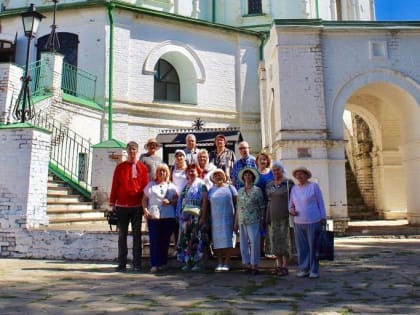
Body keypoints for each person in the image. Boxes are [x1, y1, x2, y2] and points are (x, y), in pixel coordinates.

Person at [109, 141, 149, 272]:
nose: (132, 152)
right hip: (122, 206)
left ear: (137, 152)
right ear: (127, 151)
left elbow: (145, 187)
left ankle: (137, 263)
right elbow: (115, 185)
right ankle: (122, 263)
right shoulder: (120, 167)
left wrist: (145, 205)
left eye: (134, 150)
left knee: (137, 235)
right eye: (130, 150)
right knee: (122, 235)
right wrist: (112, 203)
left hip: (137, 206)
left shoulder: (142, 168)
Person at [289, 166, 327, 279]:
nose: (299, 176)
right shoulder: (294, 189)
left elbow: (320, 202)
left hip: (313, 220)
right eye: (297, 174)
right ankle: (304, 268)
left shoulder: (313, 187)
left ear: (306, 175)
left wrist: (323, 217)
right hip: (299, 222)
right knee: (302, 247)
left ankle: (314, 270)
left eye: (302, 174)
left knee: (313, 247)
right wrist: (291, 210)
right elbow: (290, 204)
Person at [142, 163, 178, 273]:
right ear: (157, 173)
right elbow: (144, 199)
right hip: (154, 216)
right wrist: (145, 210)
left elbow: (177, 200)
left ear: (167, 173)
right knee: (154, 240)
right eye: (160, 171)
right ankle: (154, 264)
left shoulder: (171, 186)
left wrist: (170, 201)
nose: (162, 173)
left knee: (165, 241)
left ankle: (162, 263)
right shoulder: (151, 185)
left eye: (164, 171)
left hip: (168, 216)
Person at [177, 163, 209, 271]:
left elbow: (204, 201)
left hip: (197, 217)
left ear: (198, 172)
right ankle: (188, 261)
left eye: (193, 170)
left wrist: (203, 217)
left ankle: (199, 263)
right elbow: (181, 201)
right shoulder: (186, 186)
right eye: (189, 171)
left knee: (198, 239)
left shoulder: (201, 185)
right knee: (187, 241)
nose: (191, 172)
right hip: (186, 218)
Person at [234, 167, 265, 275]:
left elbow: (262, 207)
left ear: (253, 176)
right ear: (243, 177)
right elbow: (238, 207)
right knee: (243, 243)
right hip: (242, 220)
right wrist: (236, 223)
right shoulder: (240, 191)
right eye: (245, 175)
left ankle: (254, 265)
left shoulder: (257, 190)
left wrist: (262, 221)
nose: (247, 176)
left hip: (254, 219)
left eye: (249, 174)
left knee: (254, 243)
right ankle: (247, 264)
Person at [266, 161, 294, 276]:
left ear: (282, 170)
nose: (276, 172)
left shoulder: (288, 183)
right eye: (274, 170)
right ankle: (278, 264)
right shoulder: (269, 184)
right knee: (275, 242)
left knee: (285, 242)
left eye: (278, 170)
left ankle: (285, 266)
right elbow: (269, 199)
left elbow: (294, 199)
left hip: (285, 217)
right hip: (273, 216)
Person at [207, 169, 237, 271]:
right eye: (215, 175)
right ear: (213, 178)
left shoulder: (230, 188)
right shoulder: (211, 190)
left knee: (228, 240)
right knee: (217, 241)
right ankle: (220, 262)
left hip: (228, 218)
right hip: (215, 219)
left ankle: (227, 262)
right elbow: (207, 204)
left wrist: (236, 219)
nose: (218, 177)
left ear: (224, 176)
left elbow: (237, 203)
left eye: (220, 175)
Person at [255, 150, 274, 256]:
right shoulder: (254, 173)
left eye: (264, 159)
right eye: (260, 159)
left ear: (267, 161)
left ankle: (269, 249)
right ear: (257, 161)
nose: (262, 161)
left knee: (268, 226)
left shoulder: (271, 172)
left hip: (269, 203)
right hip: (257, 204)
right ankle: (260, 250)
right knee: (259, 226)